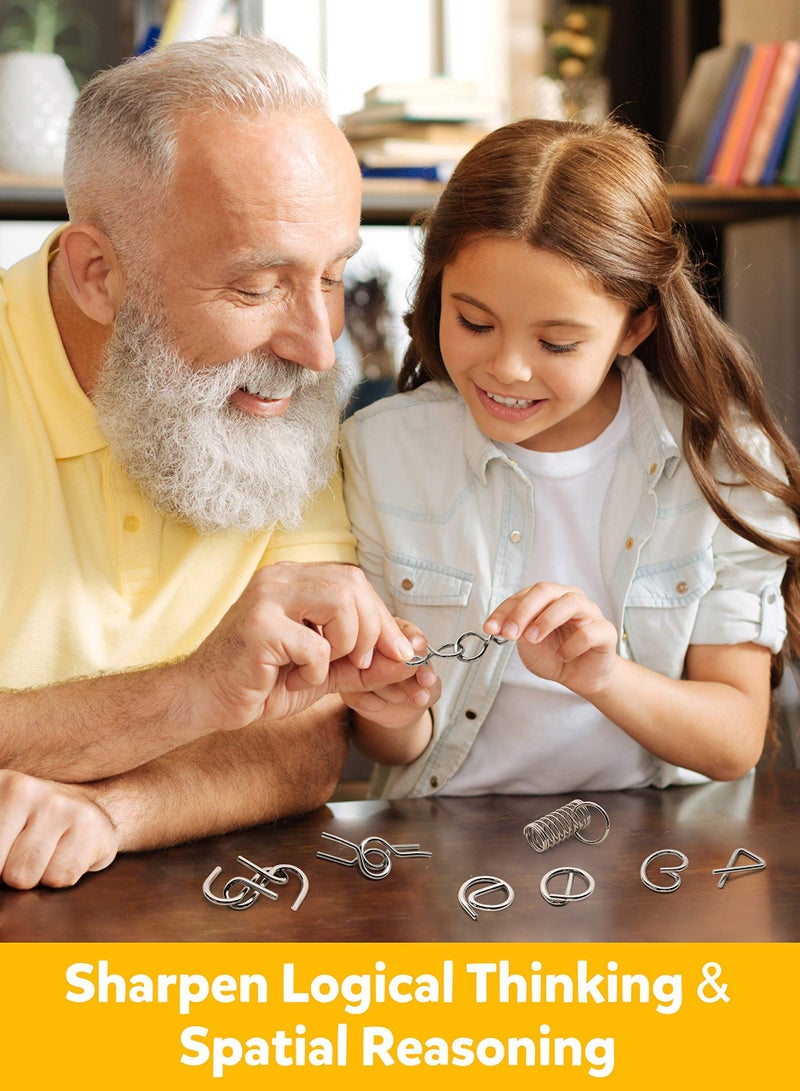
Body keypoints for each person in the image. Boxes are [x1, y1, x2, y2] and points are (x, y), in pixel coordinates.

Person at [0, 36, 438, 889]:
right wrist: (189, 697)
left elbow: (305, 739)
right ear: (98, 273)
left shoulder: (275, 402)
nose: (319, 348)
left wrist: (108, 812)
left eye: (334, 275)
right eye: (255, 287)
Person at [341, 116, 800, 800]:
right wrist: (394, 704)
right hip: (441, 855)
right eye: (474, 322)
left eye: (556, 343)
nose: (508, 368)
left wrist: (604, 673)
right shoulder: (379, 452)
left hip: (648, 855)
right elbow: (391, 745)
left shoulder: (723, 465)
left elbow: (734, 740)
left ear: (635, 325)